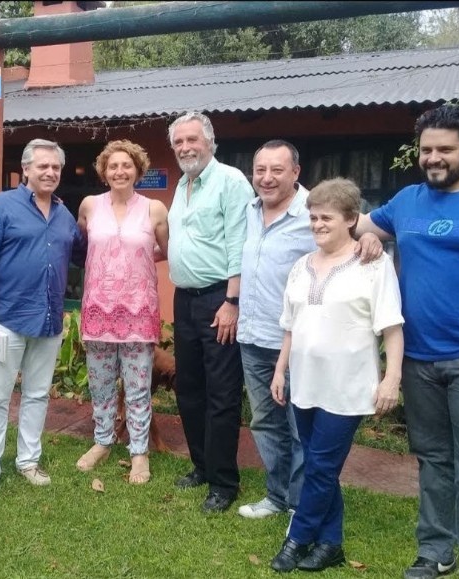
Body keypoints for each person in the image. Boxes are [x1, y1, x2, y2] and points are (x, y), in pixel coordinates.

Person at [357, 104, 459, 579]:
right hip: (417, 357)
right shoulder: (408, 200)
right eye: (427, 149)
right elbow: (360, 226)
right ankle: (436, 552)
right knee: (433, 460)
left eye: (445, 149)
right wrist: (371, 240)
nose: (434, 158)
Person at [269, 178, 404, 573]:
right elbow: (291, 326)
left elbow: (392, 327)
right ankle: (332, 544)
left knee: (321, 466)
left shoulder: (372, 264)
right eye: (312, 217)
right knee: (317, 464)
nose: (317, 224)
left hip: (347, 387)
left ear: (350, 220)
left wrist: (391, 378)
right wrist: (280, 371)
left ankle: (298, 538)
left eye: (326, 217)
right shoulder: (300, 266)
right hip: (305, 383)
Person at [0, 138, 85, 500]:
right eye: (43, 166)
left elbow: (81, 253)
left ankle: (28, 461)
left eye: (56, 168)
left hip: (48, 320)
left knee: (36, 395)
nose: (50, 172)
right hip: (5, 318)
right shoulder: (1, 206)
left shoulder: (64, 215)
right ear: (26, 169)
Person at [166, 111, 253, 512]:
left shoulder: (230, 181)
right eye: (179, 142)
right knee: (189, 388)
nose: (185, 147)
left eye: (192, 140)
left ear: (209, 142)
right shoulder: (182, 185)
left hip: (220, 299)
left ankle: (223, 482)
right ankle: (201, 466)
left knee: (221, 394)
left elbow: (239, 242)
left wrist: (232, 301)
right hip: (184, 299)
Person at [74, 140, 169, 484]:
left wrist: (134, 265)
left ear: (138, 170)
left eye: (126, 165)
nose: (119, 171)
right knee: (100, 383)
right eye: (112, 166)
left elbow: (166, 249)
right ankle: (102, 441)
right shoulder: (89, 206)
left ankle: (139, 452)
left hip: (138, 310)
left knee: (137, 385)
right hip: (98, 308)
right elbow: (85, 244)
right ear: (103, 172)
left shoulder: (154, 209)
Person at [236, 140, 311, 520]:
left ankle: (300, 503)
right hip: (252, 337)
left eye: (276, 170)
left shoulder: (313, 213)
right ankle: (277, 496)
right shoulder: (249, 210)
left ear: (295, 173)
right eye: (260, 170)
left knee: (300, 427)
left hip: (298, 341)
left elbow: (354, 236)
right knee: (265, 420)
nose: (266, 178)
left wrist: (365, 237)